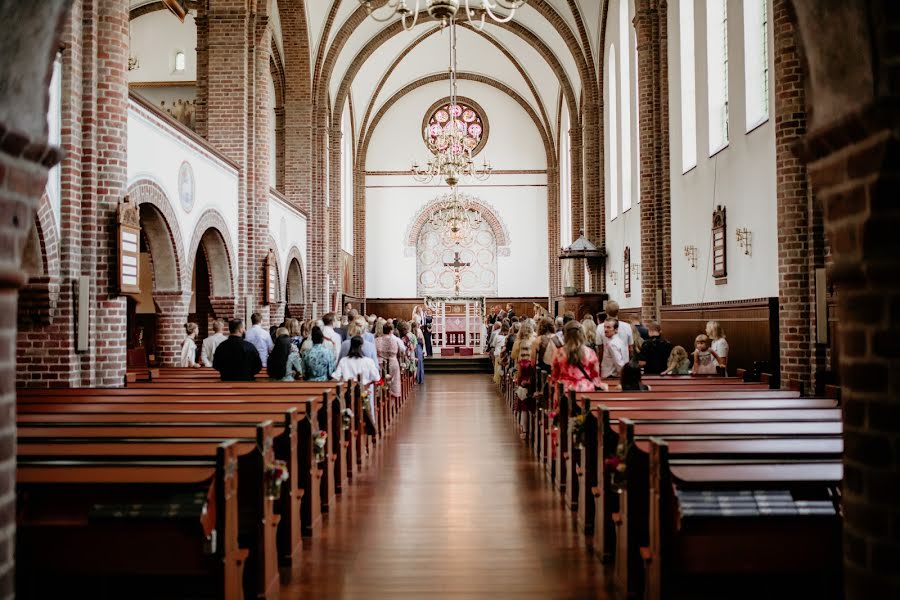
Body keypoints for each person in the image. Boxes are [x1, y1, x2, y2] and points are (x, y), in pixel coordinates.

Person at [332, 335, 382, 429]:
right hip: (363, 394)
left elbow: (336, 376)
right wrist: (368, 381)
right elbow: (377, 377)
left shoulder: (344, 361)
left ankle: (346, 426)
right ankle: (370, 426)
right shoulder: (368, 361)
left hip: (347, 395)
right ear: (361, 346)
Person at [550, 321, 606, 392]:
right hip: (585, 389)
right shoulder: (590, 353)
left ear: (565, 335)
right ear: (582, 334)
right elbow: (595, 376)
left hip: (564, 390)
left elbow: (554, 375)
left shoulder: (559, 353)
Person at [376, 322, 404, 401]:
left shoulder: (377, 340)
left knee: (381, 380)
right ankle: (392, 400)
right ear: (391, 330)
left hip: (380, 363)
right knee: (393, 382)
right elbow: (402, 350)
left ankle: (381, 397)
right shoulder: (395, 339)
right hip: (392, 362)